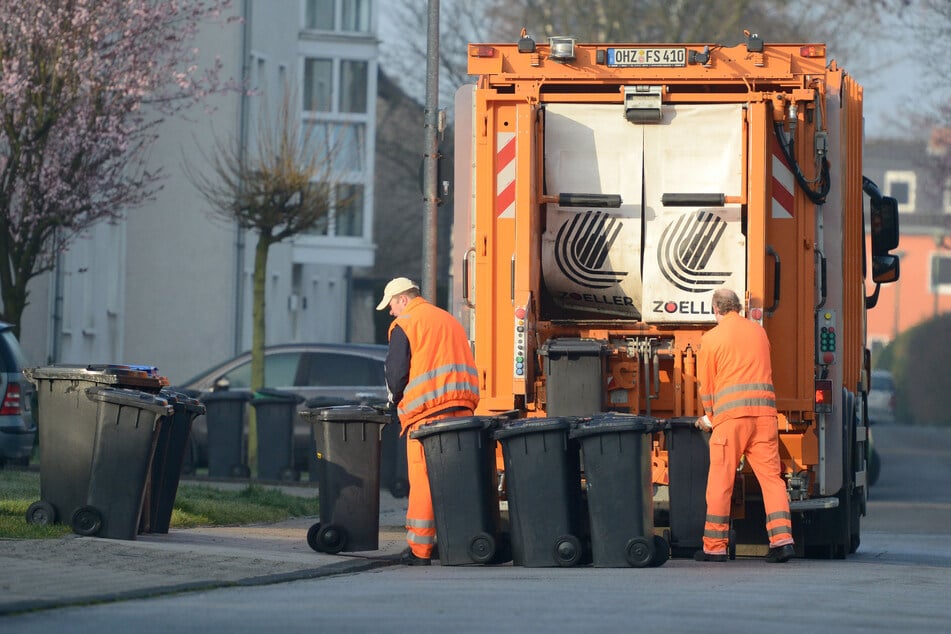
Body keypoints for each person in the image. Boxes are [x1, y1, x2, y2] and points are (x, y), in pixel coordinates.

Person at [376, 277, 480, 566]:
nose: (390, 312)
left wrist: (393, 401)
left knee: (423, 481)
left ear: (403, 299)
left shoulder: (406, 324)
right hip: (462, 409)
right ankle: (460, 544)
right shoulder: (447, 319)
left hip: (427, 414)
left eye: (391, 305)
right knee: (455, 480)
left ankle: (420, 549)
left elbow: (396, 373)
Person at [693, 288, 795, 563]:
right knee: (772, 480)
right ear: (737, 307)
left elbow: (707, 386)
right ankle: (782, 541)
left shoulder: (711, 339)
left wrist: (709, 417)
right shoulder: (759, 332)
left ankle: (715, 547)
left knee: (721, 481)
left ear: (716, 309)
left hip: (730, 420)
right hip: (764, 418)